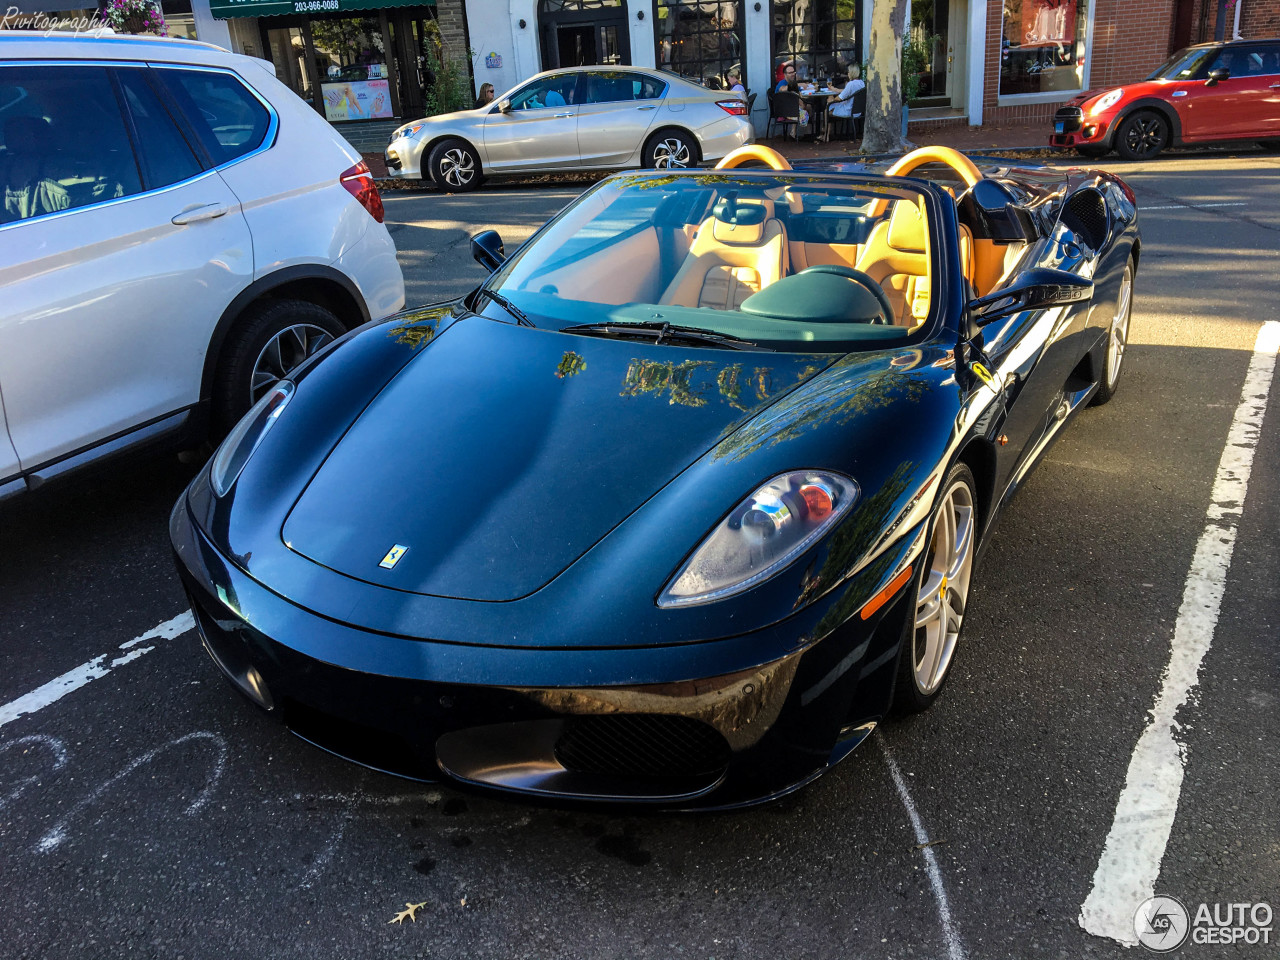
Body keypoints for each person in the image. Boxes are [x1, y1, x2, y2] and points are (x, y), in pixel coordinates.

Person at [824, 65, 865, 140]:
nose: (848, 74)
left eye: (848, 72)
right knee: (831, 104)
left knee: (827, 109)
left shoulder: (851, 84)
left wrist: (832, 100)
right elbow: (848, 92)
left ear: (851, 73)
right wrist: (835, 90)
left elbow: (839, 98)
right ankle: (826, 132)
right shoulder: (861, 83)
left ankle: (826, 134)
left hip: (849, 110)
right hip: (858, 111)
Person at [773, 61, 809, 128]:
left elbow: (802, 92)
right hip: (783, 111)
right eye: (790, 73)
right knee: (804, 109)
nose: (793, 74)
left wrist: (810, 87)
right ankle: (798, 132)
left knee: (809, 107)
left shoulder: (793, 82)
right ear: (785, 74)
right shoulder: (782, 83)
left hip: (793, 108)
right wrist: (797, 85)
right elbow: (782, 89)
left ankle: (795, 132)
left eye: (793, 72)